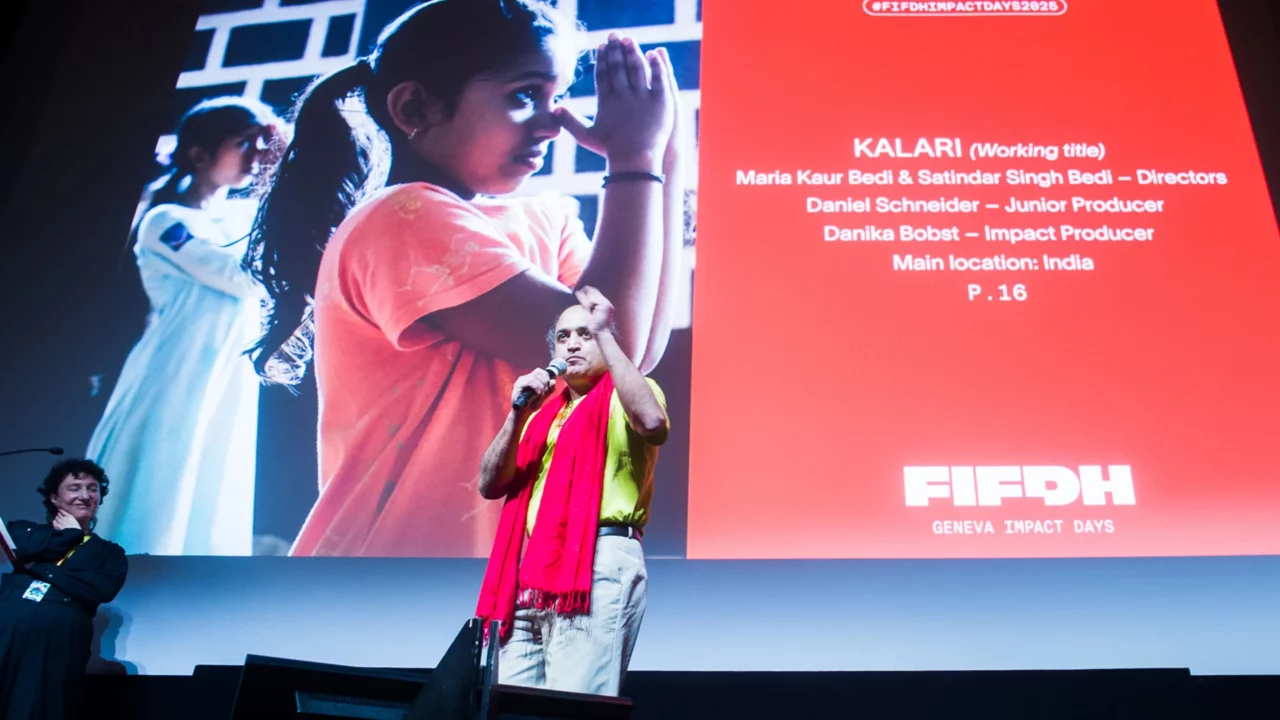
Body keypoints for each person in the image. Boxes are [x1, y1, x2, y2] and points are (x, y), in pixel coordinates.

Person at [245, 0, 684, 557]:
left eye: (558, 97)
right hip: (389, 571)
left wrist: (665, 154)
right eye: (524, 95)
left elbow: (633, 355)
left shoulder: (544, 218)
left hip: (486, 573)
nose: (553, 123)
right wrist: (631, 160)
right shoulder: (403, 217)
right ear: (415, 107)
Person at [87, 97, 283, 556]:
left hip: (226, 374)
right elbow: (242, 278)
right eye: (242, 144)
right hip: (174, 372)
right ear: (199, 154)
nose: (255, 157)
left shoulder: (242, 218)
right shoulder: (165, 220)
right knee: (160, 474)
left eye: (260, 146)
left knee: (211, 477)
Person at [475, 286, 667, 696]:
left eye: (586, 334)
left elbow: (652, 423)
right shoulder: (541, 417)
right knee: (510, 705)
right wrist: (516, 414)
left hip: (597, 563)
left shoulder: (626, 395)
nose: (574, 343)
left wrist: (607, 333)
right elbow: (489, 484)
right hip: (534, 572)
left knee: (573, 706)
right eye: (564, 336)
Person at [0, 459, 128, 720]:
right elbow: (20, 549)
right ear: (54, 498)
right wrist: (68, 534)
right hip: (6, 631)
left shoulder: (109, 553)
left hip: (58, 641)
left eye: (93, 489)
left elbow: (98, 590)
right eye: (75, 487)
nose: (85, 495)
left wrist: (39, 568)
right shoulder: (25, 531)